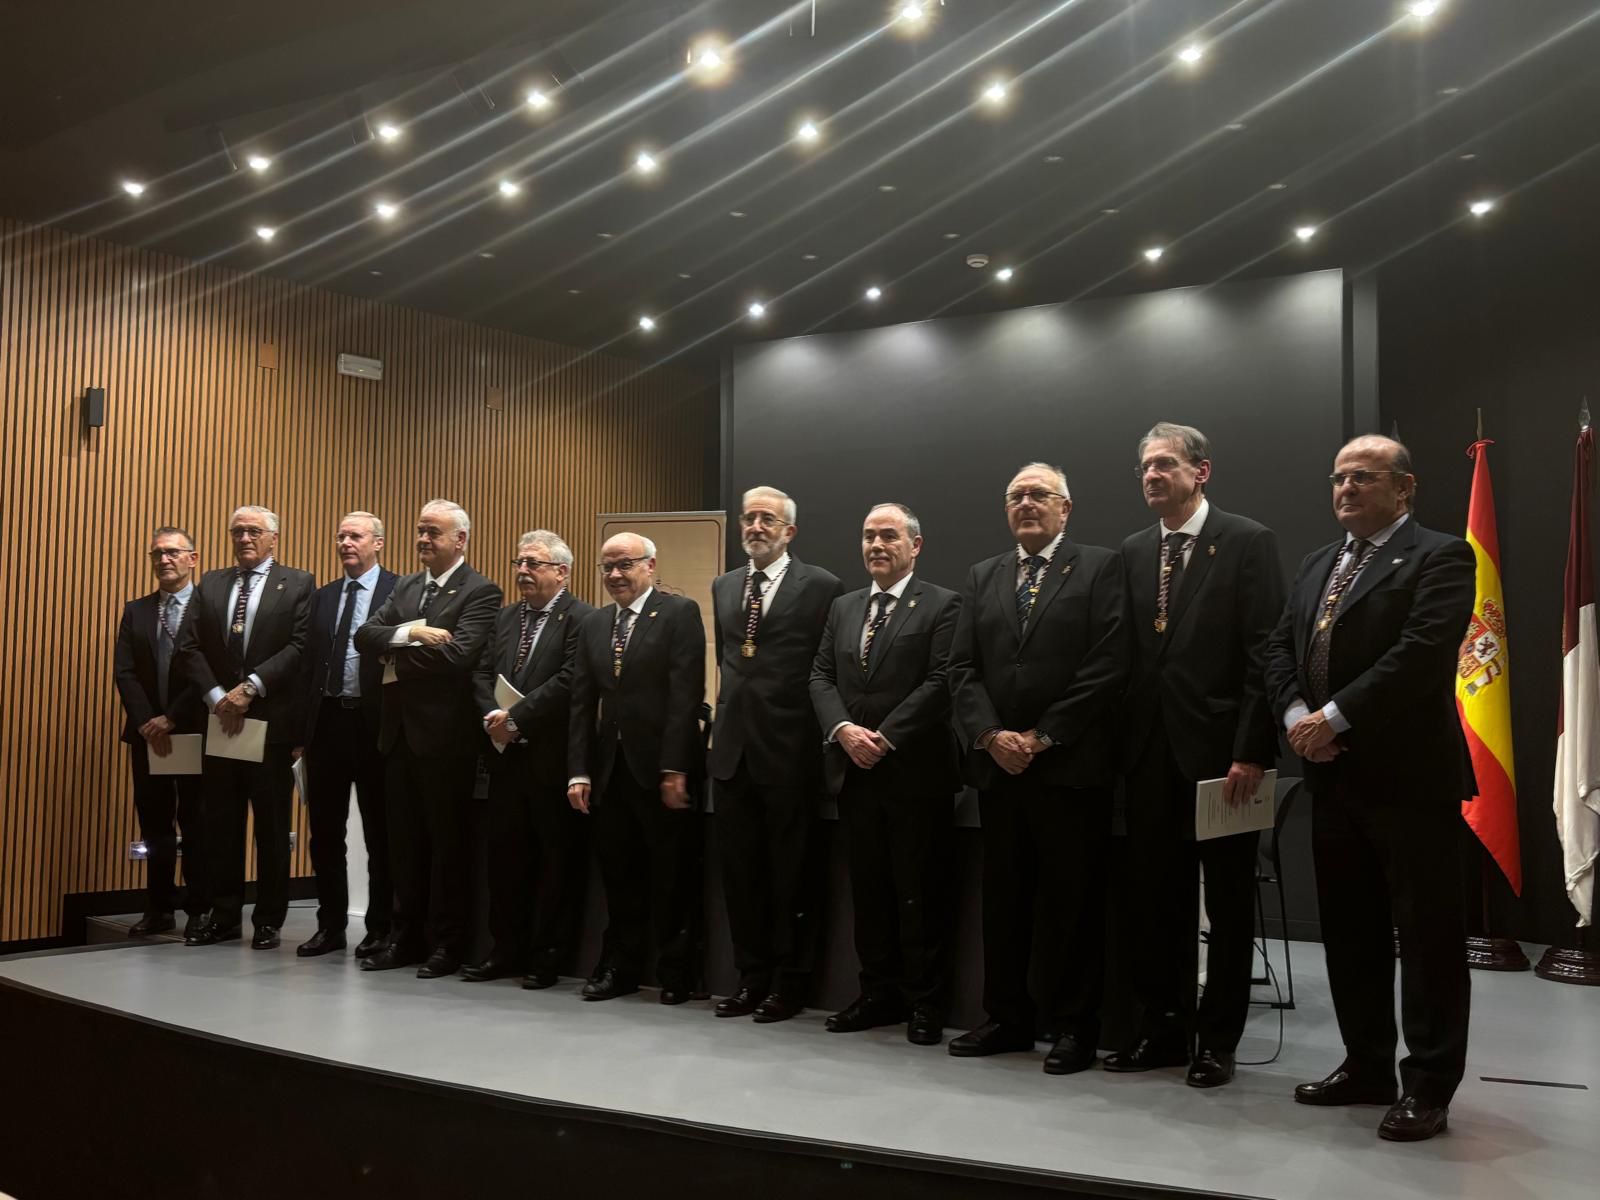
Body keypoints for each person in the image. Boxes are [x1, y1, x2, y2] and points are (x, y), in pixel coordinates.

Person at [1264, 434, 1474, 1142]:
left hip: (1409, 780)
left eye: (1362, 478)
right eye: (1338, 478)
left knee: (1426, 937)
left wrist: (1334, 716)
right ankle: (1366, 1066)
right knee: (1350, 935)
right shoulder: (1319, 562)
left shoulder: (1442, 556)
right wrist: (1297, 716)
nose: (1346, 489)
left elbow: (1420, 655)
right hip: (1332, 777)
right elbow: (1277, 648)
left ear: (1404, 487)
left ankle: (1429, 1086)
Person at [1113, 423, 1284, 1088]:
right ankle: (1162, 1028)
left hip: (1225, 760)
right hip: (1149, 756)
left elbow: (1265, 652)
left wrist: (1251, 750)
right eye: (1144, 466)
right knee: (1156, 898)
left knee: (1231, 903)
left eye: (1164, 464)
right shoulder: (1132, 551)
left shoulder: (1246, 542)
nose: (1152, 476)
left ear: (1200, 472)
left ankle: (1218, 1040)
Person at [947, 463, 1130, 1073]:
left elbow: (1107, 663)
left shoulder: (1101, 567)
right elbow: (962, 669)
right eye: (1016, 496)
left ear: (1065, 508)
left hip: (1070, 768)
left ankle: (1075, 1026)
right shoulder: (983, 575)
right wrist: (991, 735)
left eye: (1039, 495)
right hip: (1001, 770)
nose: (1026, 504)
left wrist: (1044, 735)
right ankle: (1007, 1017)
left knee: (1072, 904)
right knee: (1005, 901)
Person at [809, 503, 962, 1045]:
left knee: (918, 892)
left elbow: (942, 681)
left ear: (914, 546)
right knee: (870, 894)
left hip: (915, 774)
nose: (876, 544)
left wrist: (885, 736)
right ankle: (877, 994)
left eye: (889, 535)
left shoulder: (943, 604)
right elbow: (822, 676)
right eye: (869, 535)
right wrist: (844, 730)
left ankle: (925, 1003)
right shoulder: (845, 607)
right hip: (855, 772)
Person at [708, 486, 841, 1023]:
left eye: (767, 519)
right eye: (749, 518)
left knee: (792, 875)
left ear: (789, 531)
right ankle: (750, 977)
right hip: (733, 752)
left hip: (790, 750)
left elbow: (824, 667)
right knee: (741, 876)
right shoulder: (724, 586)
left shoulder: (823, 586)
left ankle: (790, 983)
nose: (755, 527)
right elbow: (729, 663)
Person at [354, 500, 502, 978]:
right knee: (404, 844)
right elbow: (364, 636)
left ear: (460, 539)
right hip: (398, 736)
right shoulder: (408, 587)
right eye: (419, 530)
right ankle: (405, 937)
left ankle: (447, 943)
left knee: (446, 846)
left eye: (432, 532)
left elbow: (458, 656)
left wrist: (394, 655)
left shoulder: (481, 591)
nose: (422, 539)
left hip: (446, 740)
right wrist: (415, 633)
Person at [568, 533, 706, 1005]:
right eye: (607, 567)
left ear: (650, 565)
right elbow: (582, 704)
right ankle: (619, 969)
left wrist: (675, 767)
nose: (614, 575)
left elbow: (685, 697)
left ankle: (676, 971)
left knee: (670, 876)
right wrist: (579, 771)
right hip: (610, 772)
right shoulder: (594, 623)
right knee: (619, 878)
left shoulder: (677, 614)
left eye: (624, 565)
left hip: (660, 772)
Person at [175, 506, 313, 949]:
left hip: (269, 725)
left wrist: (250, 688)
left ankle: (269, 919)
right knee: (221, 823)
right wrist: (218, 697)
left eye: (254, 531)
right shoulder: (212, 583)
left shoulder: (298, 583)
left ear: (274, 538)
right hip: (221, 721)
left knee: (272, 827)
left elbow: (299, 646)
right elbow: (189, 646)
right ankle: (225, 914)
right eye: (237, 531)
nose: (245, 538)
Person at [464, 531, 594, 988]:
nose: (522, 571)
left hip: (550, 756)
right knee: (506, 861)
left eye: (534, 563)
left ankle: (547, 957)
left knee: (553, 864)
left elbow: (570, 680)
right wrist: (492, 715)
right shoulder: (503, 618)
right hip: (503, 758)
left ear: (562, 571)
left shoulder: (583, 619)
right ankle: (505, 950)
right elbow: (480, 673)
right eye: (519, 561)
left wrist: (517, 718)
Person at [293, 512, 397, 959]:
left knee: (380, 833)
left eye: (355, 536)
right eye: (340, 536)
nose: (345, 543)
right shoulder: (323, 597)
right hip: (328, 724)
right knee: (324, 833)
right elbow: (306, 666)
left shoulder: (401, 590)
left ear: (377, 543)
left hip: (374, 725)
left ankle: (380, 928)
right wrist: (301, 733)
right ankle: (330, 925)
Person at [113, 526, 208, 938]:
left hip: (192, 731)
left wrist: (172, 717)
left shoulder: (209, 608)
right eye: (157, 554)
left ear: (192, 558)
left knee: (196, 821)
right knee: (154, 823)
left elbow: (209, 671)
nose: (163, 560)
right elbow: (125, 671)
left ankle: (199, 908)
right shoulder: (137, 610)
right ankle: (159, 907)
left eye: (172, 552)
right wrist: (148, 721)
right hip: (147, 734)